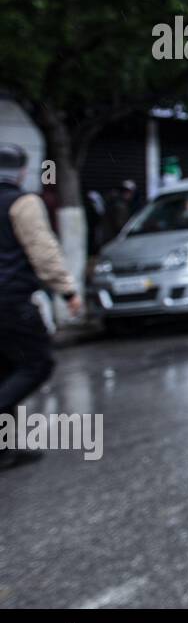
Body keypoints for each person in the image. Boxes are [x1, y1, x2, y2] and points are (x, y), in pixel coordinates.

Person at [0, 144, 83, 471]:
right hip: (10, 301)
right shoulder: (23, 203)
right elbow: (43, 251)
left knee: (6, 370)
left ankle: (3, 450)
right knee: (37, 364)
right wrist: (67, 291)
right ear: (20, 171)